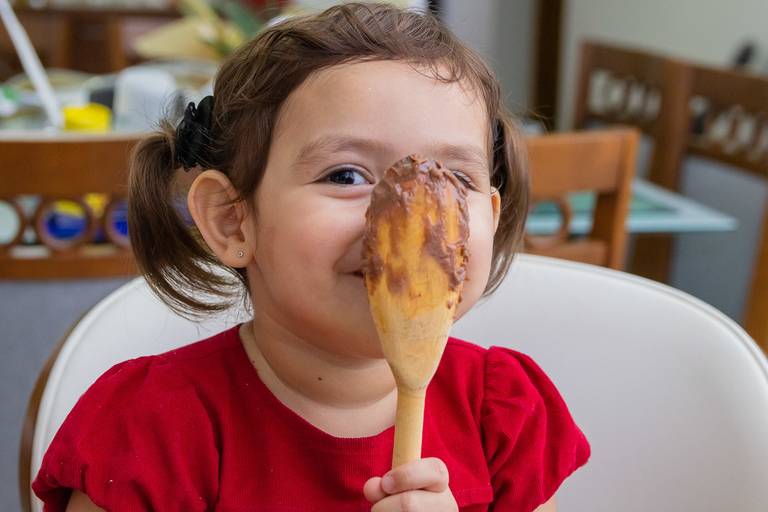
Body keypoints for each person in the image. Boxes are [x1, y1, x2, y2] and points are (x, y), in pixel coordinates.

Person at [32, 3, 589, 511]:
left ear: (490, 216)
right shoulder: (149, 432)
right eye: (346, 175)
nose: (407, 218)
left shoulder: (505, 415)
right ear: (232, 220)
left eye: (454, 178)